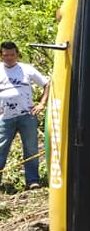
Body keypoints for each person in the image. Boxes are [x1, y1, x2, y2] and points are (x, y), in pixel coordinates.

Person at [0, 41, 50, 189]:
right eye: (6, 55)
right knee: (1, 149)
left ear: (17, 54)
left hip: (27, 116)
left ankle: (32, 180)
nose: (9, 58)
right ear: (1, 55)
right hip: (5, 118)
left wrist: (42, 103)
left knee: (31, 148)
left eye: (12, 54)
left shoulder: (27, 69)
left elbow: (47, 84)